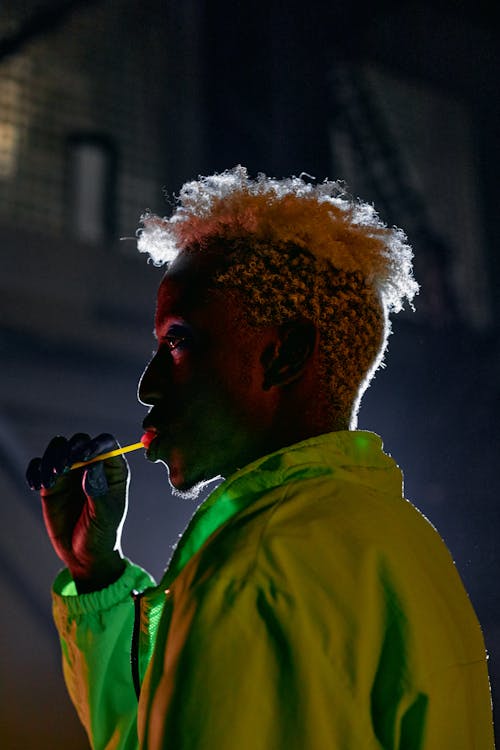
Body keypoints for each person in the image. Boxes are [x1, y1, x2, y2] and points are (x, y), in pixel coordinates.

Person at [27, 166, 494, 749]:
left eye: (178, 343)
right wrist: (97, 577)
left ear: (284, 354)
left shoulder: (258, 568)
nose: (147, 386)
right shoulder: (398, 541)